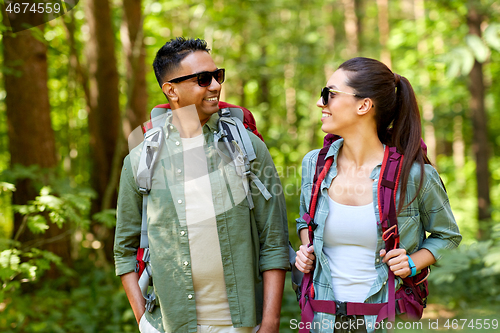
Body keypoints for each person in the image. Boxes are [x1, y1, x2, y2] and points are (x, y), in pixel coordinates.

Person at [114, 37, 289, 333]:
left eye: (217, 76)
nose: (215, 86)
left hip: (240, 324)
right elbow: (124, 250)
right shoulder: (141, 159)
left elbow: (274, 242)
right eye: (203, 79)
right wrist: (143, 319)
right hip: (170, 325)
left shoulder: (248, 148)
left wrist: (270, 322)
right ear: (171, 90)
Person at [294, 57, 462, 332]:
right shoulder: (314, 164)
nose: (320, 103)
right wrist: (306, 249)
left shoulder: (413, 175)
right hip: (320, 319)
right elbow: (306, 221)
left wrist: (411, 262)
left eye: (330, 94)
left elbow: (448, 236)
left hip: (385, 320)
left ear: (364, 105)